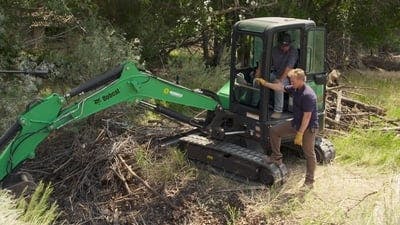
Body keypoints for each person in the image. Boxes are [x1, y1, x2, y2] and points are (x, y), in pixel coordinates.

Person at [255, 68, 318, 188]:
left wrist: (300, 133)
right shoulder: (295, 88)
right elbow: (280, 87)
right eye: (290, 80)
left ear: (300, 80)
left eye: (293, 80)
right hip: (296, 123)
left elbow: (307, 117)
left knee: (309, 153)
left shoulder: (308, 95)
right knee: (274, 130)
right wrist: (265, 83)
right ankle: (277, 158)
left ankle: (309, 181)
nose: (290, 82)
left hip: (308, 127)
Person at [255, 32, 298, 118]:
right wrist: (258, 74)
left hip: (288, 77)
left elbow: (288, 68)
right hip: (275, 73)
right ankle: (255, 104)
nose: (284, 48)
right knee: (258, 80)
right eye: (282, 46)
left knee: (279, 86)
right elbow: (263, 61)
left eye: (286, 46)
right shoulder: (274, 50)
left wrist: (280, 80)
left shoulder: (293, 52)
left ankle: (278, 111)